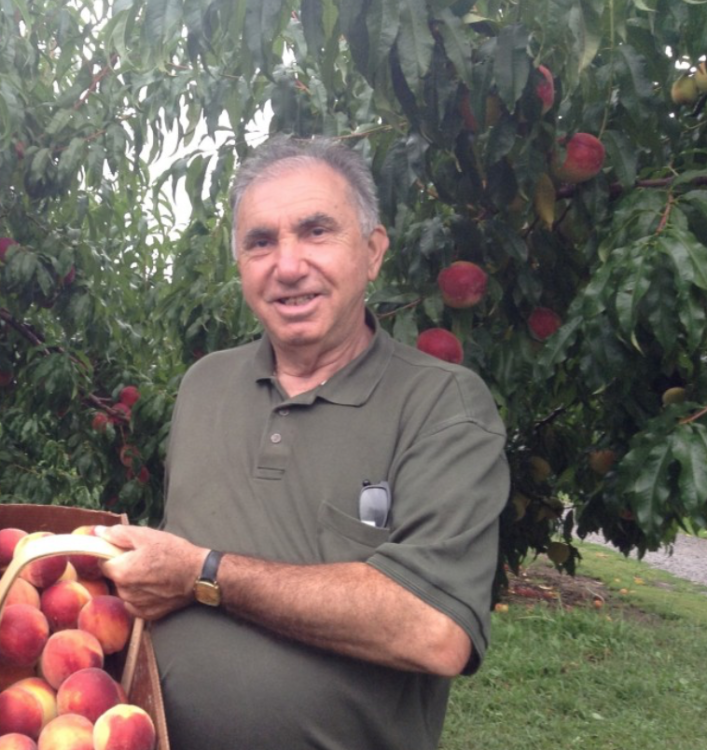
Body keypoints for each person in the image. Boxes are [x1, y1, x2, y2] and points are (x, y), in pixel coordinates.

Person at [96, 135, 510, 749]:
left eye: (316, 231)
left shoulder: (441, 404)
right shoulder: (206, 383)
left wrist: (205, 574)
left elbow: (435, 627)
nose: (287, 266)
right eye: (260, 242)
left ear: (372, 252)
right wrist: (63, 620)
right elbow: (165, 582)